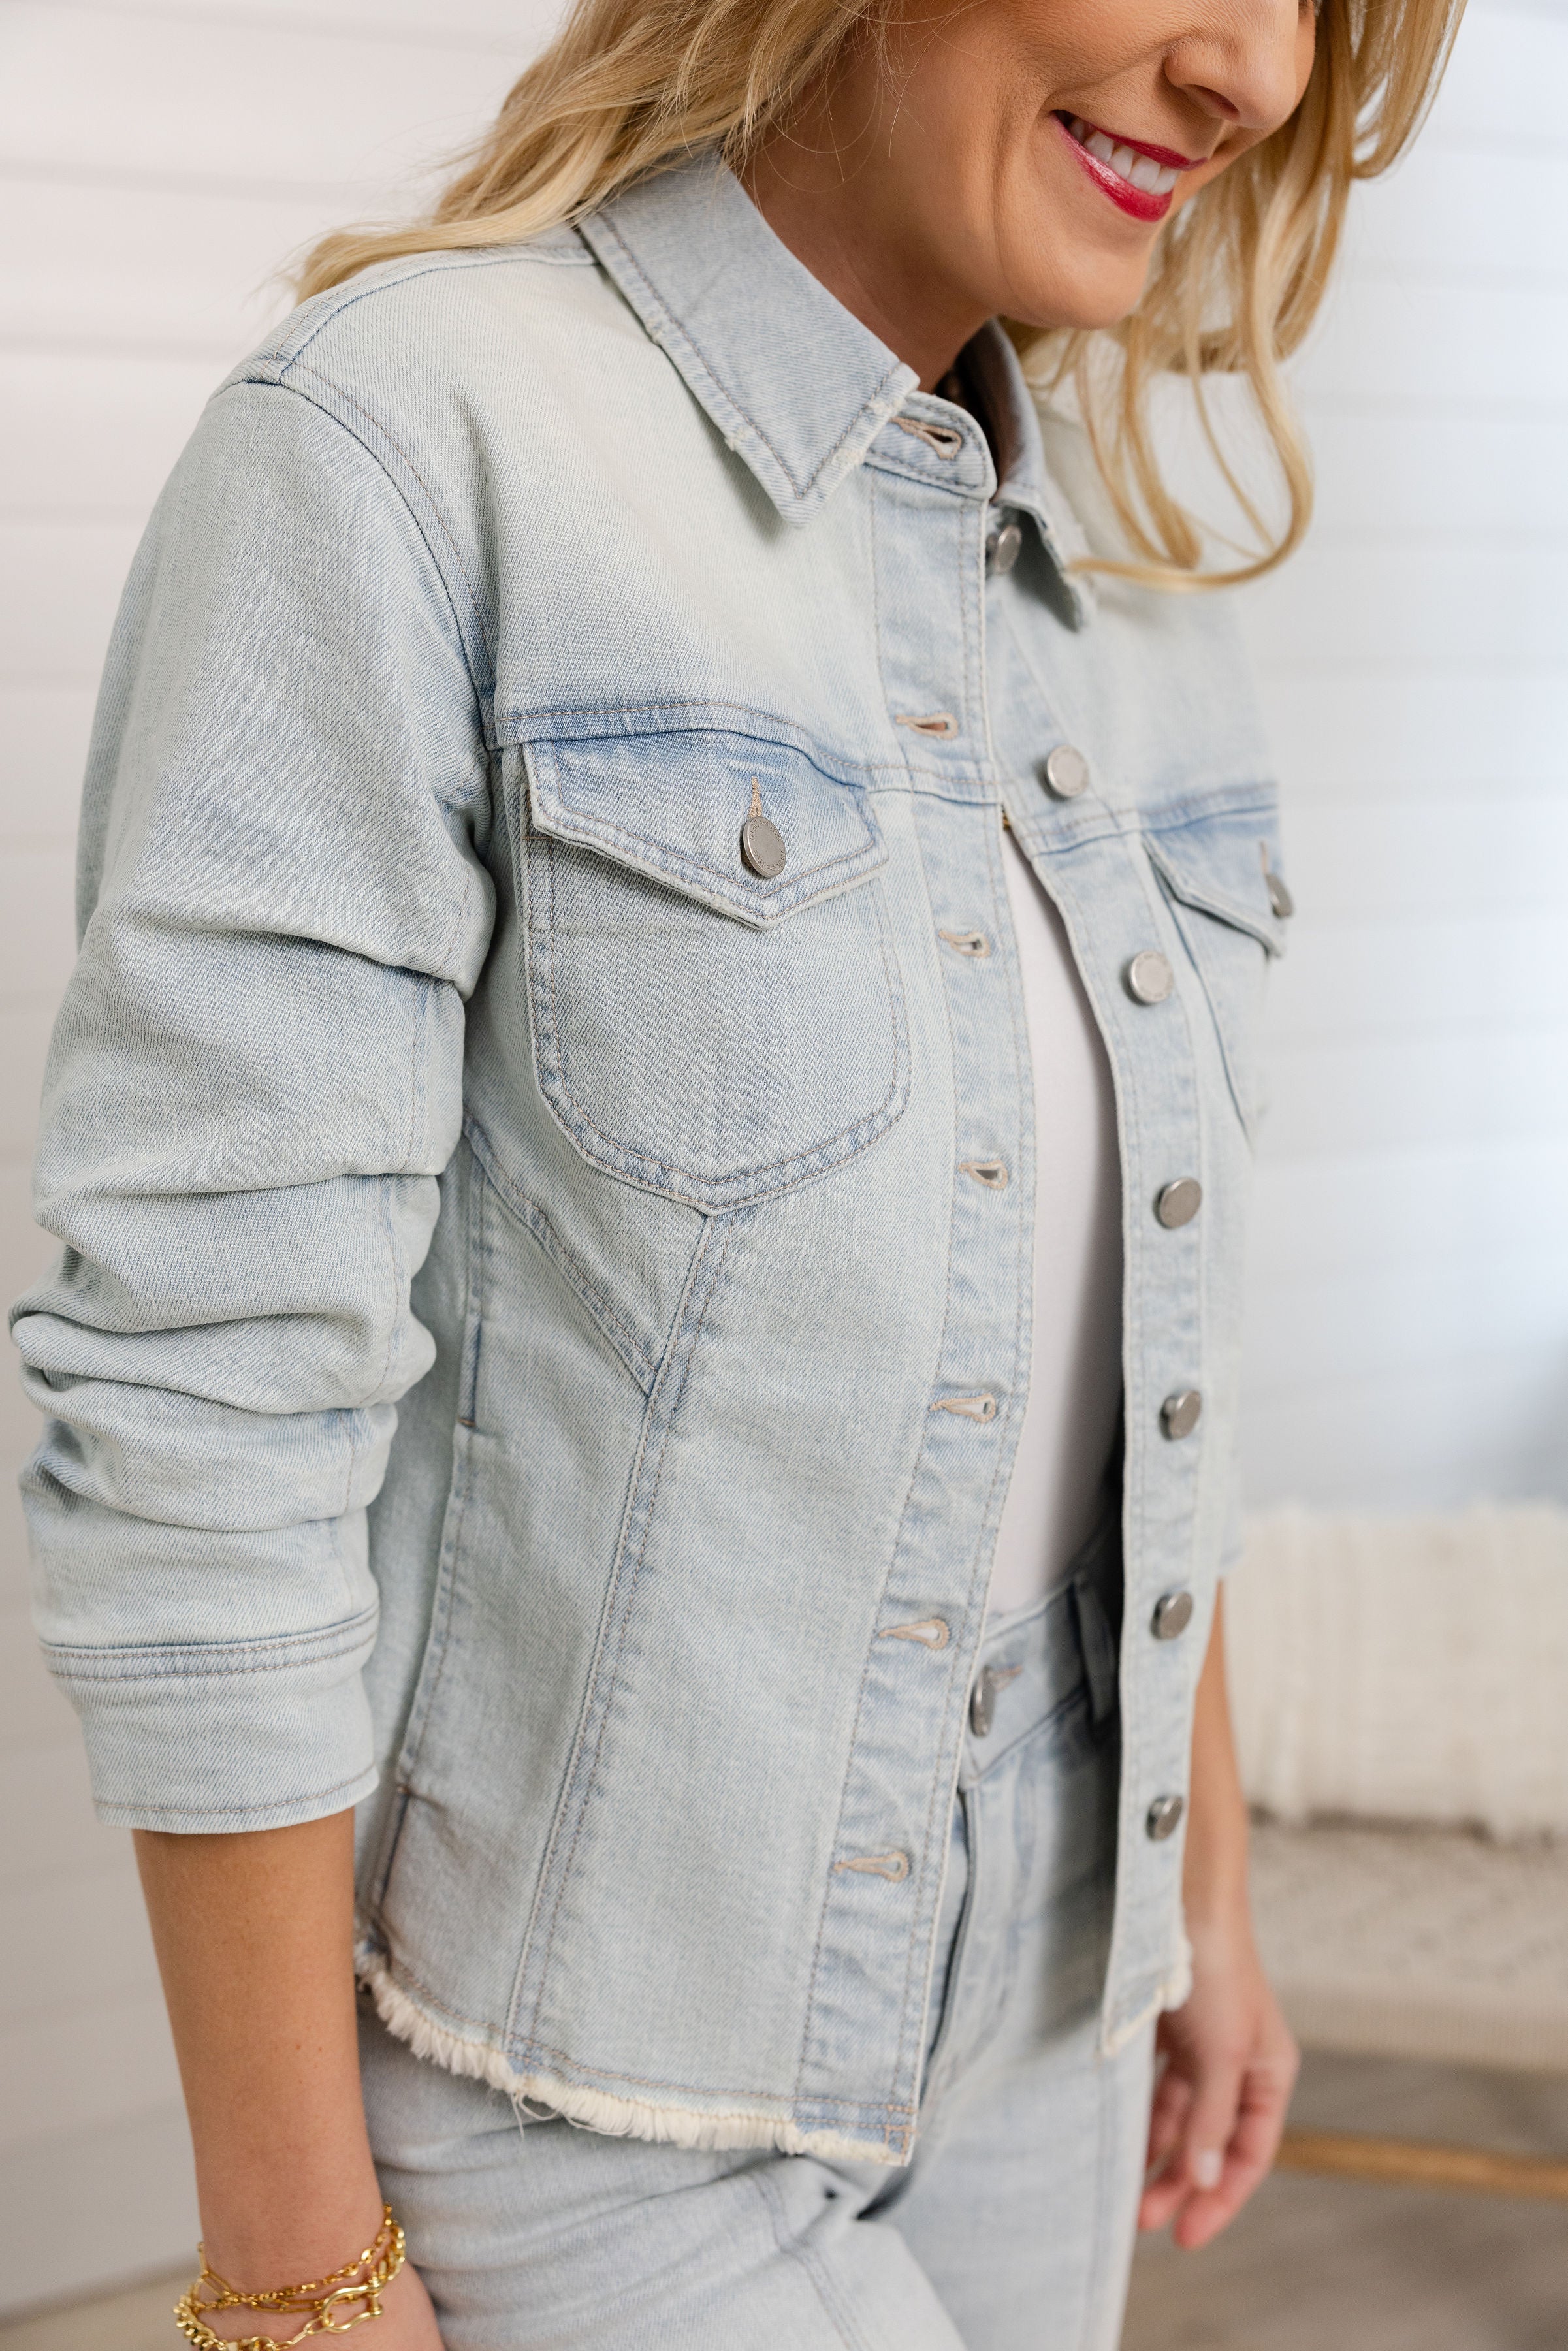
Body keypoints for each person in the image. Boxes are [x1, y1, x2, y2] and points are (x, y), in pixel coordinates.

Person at [13, 0, 1461, 2343]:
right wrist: (293, 2256)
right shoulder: (409, 442)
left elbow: (1135, 1355)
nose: (1261, 75)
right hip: (585, 2081)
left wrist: (1194, 1898)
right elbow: (208, 1398)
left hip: (1052, 2008)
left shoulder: (1134, 589)